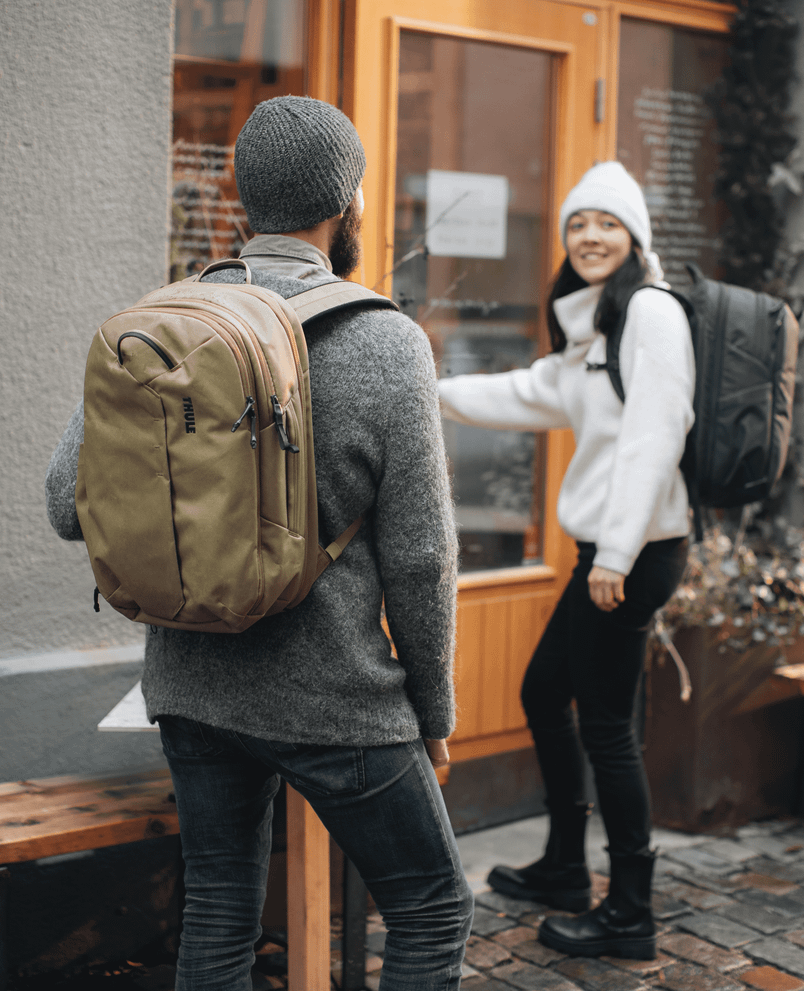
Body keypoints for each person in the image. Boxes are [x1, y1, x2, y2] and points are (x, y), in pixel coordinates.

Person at [46, 96, 472, 991]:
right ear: (347, 203)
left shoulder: (164, 322)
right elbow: (422, 558)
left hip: (191, 685)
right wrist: (431, 711)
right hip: (337, 699)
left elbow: (63, 501)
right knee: (432, 907)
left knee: (220, 908)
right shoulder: (387, 339)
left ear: (245, 200)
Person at [436, 161, 694, 960]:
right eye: (577, 223)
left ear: (634, 237)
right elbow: (525, 391)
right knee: (543, 690)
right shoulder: (595, 333)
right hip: (609, 550)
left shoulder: (649, 312)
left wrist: (613, 553)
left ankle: (629, 911)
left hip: (635, 548)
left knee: (607, 729)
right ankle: (561, 866)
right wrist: (426, 384)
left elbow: (657, 435)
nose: (588, 236)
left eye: (606, 223)